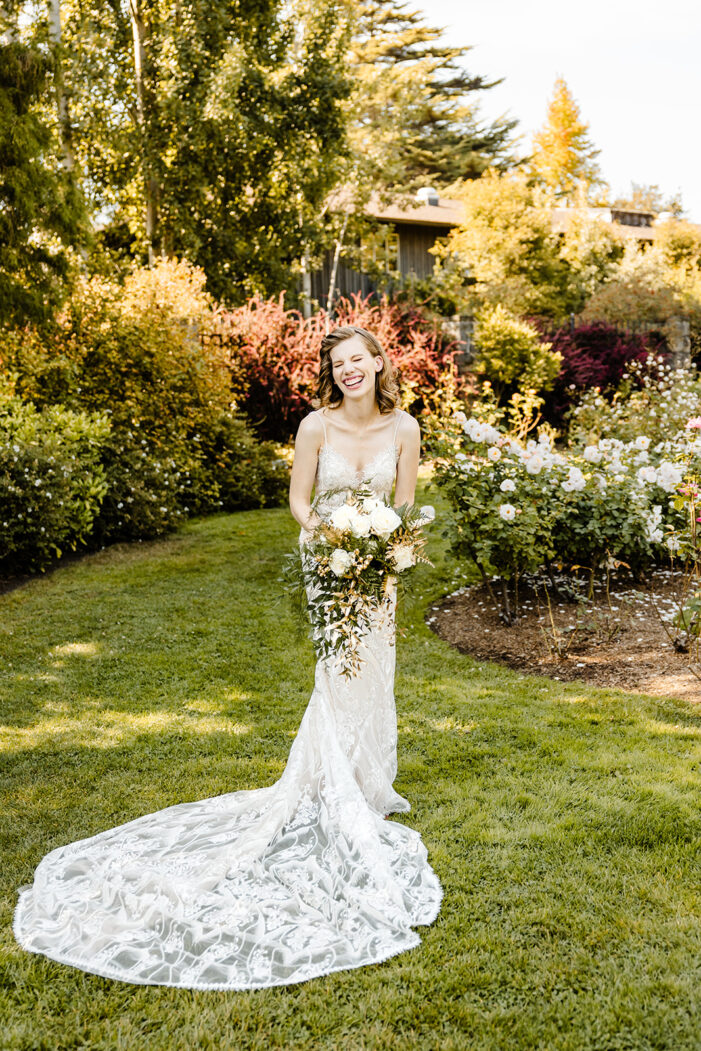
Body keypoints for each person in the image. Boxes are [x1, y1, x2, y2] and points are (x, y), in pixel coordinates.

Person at [13, 325, 442, 991]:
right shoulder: (313, 425)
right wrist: (330, 535)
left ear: (378, 362)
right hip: (325, 559)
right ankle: (329, 783)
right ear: (332, 374)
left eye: (357, 359)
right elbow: (299, 501)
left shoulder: (405, 428)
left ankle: (367, 782)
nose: (349, 370)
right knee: (337, 668)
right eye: (337, 364)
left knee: (375, 666)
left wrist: (391, 545)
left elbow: (406, 501)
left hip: (378, 564)